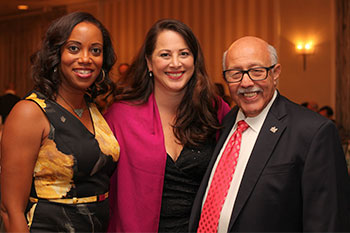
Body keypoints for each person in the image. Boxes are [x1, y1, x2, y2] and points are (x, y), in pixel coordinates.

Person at [189, 36, 350, 232]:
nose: (246, 82)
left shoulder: (313, 132)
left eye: (257, 71)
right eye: (235, 73)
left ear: (275, 73)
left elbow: (327, 223)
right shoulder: (225, 123)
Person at [104, 19, 230, 232]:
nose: (175, 63)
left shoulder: (214, 110)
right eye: (165, 55)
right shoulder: (120, 117)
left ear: (195, 60)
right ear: (149, 62)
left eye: (184, 53)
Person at [0, 12, 120, 232]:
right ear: (56, 55)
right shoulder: (30, 112)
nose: (86, 58)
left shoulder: (93, 109)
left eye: (95, 50)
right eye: (74, 48)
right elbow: (10, 210)